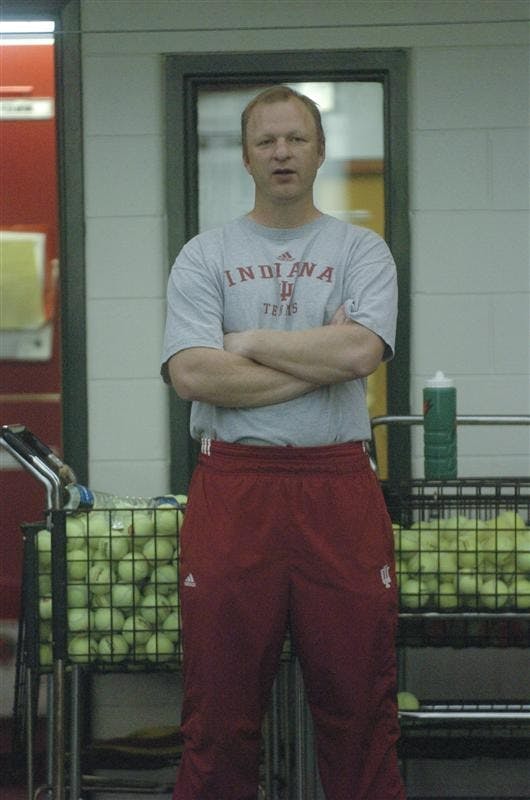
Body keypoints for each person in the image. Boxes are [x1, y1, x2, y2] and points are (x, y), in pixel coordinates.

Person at [161, 85, 406, 800]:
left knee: (360, 708)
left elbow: (361, 353)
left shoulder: (362, 249)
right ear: (245, 156)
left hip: (338, 490)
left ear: (319, 150)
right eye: (266, 141)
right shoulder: (204, 256)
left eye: (296, 139)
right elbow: (191, 373)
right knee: (219, 714)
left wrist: (252, 343)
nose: (282, 153)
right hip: (235, 491)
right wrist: (320, 358)